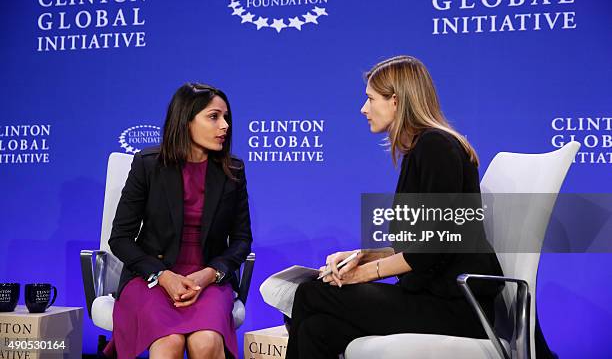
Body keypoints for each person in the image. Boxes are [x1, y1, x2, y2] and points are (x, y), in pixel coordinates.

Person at [285, 55, 505, 358]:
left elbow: (433, 249)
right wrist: (363, 256)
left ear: (396, 101)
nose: (363, 109)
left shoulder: (435, 147)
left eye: (370, 99)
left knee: (311, 293)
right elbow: (426, 244)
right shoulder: (422, 149)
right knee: (317, 330)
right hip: (431, 297)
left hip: (458, 310)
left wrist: (363, 274)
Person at [104, 83, 252, 359]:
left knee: (206, 342)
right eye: (214, 116)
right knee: (168, 343)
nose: (225, 125)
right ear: (185, 120)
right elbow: (120, 238)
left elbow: (242, 240)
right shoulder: (148, 165)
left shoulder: (233, 170)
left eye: (226, 117)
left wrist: (211, 273)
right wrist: (162, 275)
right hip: (152, 277)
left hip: (207, 278)